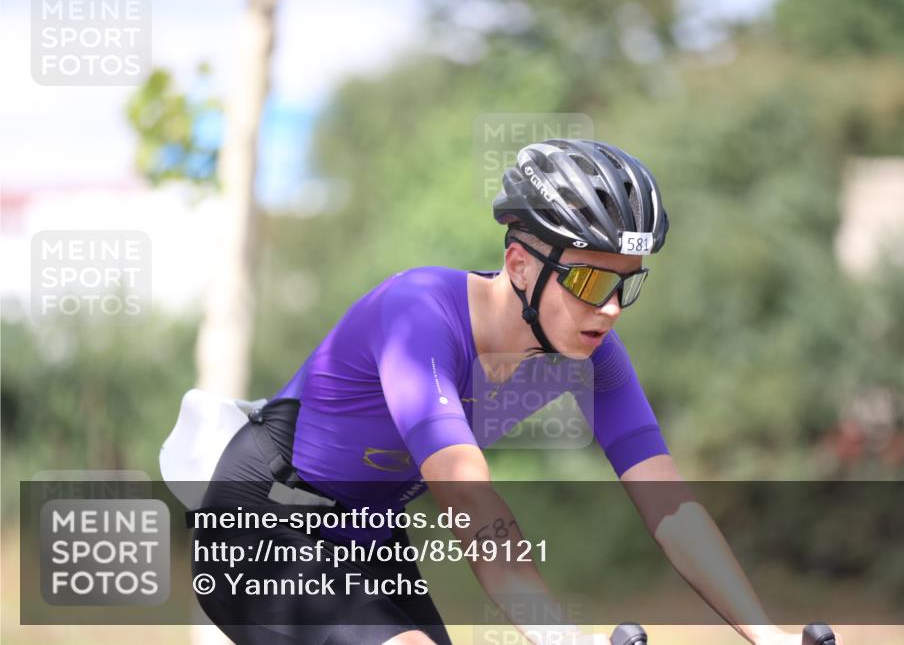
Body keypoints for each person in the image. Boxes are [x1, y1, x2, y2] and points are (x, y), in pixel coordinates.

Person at [192, 139, 843, 645]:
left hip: (367, 536)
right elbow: (472, 502)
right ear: (520, 266)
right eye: (591, 282)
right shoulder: (420, 311)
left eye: (628, 284)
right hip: (263, 516)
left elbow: (669, 507)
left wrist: (765, 631)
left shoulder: (592, 352)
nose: (612, 308)